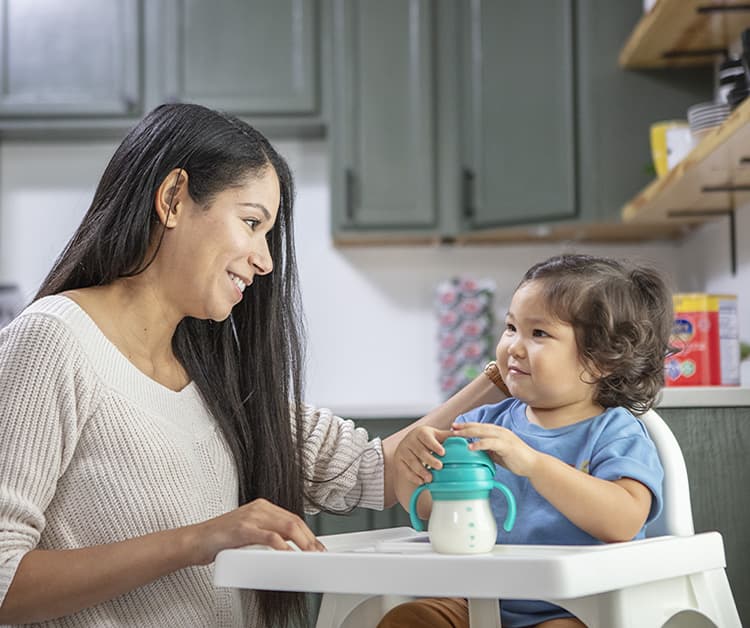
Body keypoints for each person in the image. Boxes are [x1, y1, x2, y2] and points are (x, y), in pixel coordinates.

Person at [0, 103, 508, 628]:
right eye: (251, 223)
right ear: (173, 198)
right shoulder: (53, 341)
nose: (265, 261)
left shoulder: (214, 376)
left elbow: (377, 471)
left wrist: (499, 376)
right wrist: (196, 541)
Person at [383, 253, 673, 628]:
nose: (514, 347)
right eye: (510, 328)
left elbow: (624, 521)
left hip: (573, 607)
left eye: (539, 334)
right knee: (412, 618)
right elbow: (426, 509)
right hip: (476, 599)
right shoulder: (481, 423)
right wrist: (410, 465)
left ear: (602, 359)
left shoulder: (614, 432)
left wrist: (533, 464)